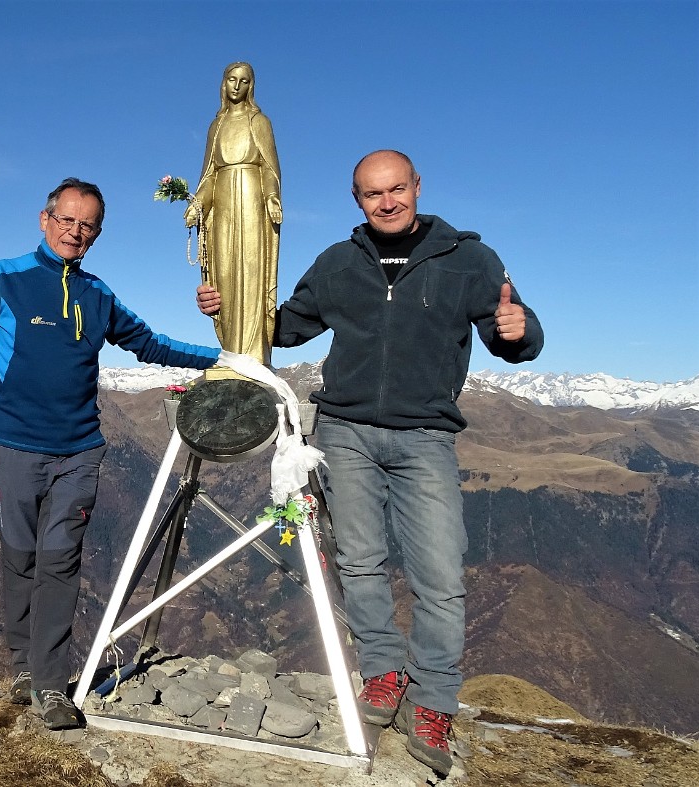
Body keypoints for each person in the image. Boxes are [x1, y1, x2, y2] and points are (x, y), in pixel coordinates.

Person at [196, 150, 544, 775]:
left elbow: (507, 326)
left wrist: (523, 331)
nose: (387, 202)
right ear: (356, 199)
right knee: (359, 563)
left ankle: (434, 700)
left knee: (440, 575)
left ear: (417, 187)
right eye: (372, 193)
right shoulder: (338, 263)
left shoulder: (467, 258)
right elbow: (286, 326)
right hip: (346, 432)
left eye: (397, 189)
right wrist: (230, 304)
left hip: (425, 436)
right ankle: (383, 673)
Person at [0, 178, 221, 730]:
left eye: (87, 224)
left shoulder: (98, 295)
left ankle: (49, 686)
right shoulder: (6, 278)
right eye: (67, 219)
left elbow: (151, 343)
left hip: (79, 451)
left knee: (60, 561)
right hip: (14, 447)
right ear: (44, 220)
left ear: (97, 234)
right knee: (20, 558)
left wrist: (223, 358)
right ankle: (22, 668)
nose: (75, 231)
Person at [184, 61, 282, 362]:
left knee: (251, 272)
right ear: (223, 83)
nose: (237, 86)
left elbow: (269, 168)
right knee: (224, 273)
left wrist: (271, 196)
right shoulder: (216, 126)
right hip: (223, 204)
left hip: (252, 199)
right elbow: (210, 175)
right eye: (231, 80)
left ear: (251, 86)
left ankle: (252, 353)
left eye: (243, 81)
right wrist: (198, 203)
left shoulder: (260, 121)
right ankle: (231, 350)